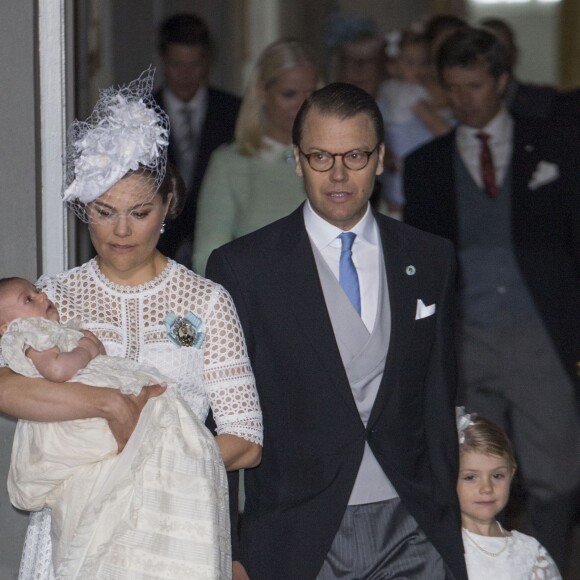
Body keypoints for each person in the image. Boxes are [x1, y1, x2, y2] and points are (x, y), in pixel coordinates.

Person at [0, 67, 262, 580]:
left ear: (167, 206)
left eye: (139, 212)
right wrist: (108, 406)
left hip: (175, 531)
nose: (121, 230)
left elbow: (247, 439)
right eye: (104, 211)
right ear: (83, 207)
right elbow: (5, 384)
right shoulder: (52, 296)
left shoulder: (207, 301)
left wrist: (154, 465)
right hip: (72, 534)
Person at [206, 82, 468, 580]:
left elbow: (439, 394)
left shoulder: (430, 257)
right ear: (298, 160)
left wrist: (449, 520)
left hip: (414, 524)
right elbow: (221, 417)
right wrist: (230, 548)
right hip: (295, 534)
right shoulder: (243, 269)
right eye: (322, 156)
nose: (340, 174)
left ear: (381, 158)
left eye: (356, 155)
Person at [404, 27, 580, 571]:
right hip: (466, 338)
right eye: (453, 88)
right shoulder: (427, 164)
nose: (464, 100)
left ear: (502, 81)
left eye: (475, 85)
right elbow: (422, 267)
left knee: (558, 475)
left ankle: (542, 565)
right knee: (475, 472)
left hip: (541, 336)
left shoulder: (553, 142)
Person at [0, 277, 230, 578]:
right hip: (78, 430)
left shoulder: (207, 297)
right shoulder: (32, 332)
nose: (42, 298)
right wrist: (86, 350)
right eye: (28, 299)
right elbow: (57, 370)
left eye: (38, 293)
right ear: (5, 328)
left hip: (152, 489)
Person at [192, 38, 318, 274]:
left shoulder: (336, 159)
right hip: (253, 302)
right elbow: (207, 257)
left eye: (311, 94)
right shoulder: (230, 163)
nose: (302, 106)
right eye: (289, 95)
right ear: (262, 92)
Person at [154, 12, 241, 266]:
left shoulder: (233, 111)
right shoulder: (142, 112)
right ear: (163, 61)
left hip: (220, 238)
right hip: (159, 243)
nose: (185, 74)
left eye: (194, 65)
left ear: (207, 62)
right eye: (176, 64)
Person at [456, 408, 562, 580]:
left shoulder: (530, 552)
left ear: (512, 473)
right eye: (470, 477)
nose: (487, 488)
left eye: (497, 476)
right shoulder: (436, 549)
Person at [378, 29, 452, 215]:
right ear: (393, 66)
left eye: (424, 63)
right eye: (410, 63)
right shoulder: (411, 94)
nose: (419, 70)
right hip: (415, 168)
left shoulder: (386, 90)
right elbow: (444, 132)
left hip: (397, 170)